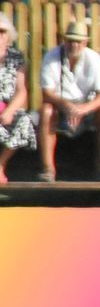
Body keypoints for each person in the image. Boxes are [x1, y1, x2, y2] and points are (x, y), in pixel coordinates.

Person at [38, 19, 100, 182]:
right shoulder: (51, 56)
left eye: (78, 41)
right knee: (46, 111)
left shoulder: (94, 59)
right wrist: (66, 106)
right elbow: (47, 93)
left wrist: (83, 109)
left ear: (85, 42)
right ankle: (48, 169)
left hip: (87, 110)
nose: (74, 45)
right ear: (64, 40)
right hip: (60, 109)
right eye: (71, 41)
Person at [0, 12, 36, 183]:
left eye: (2, 31)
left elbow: (22, 91)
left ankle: (0, 166)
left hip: (8, 106)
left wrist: (9, 110)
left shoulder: (16, 57)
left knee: (23, 120)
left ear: (9, 36)